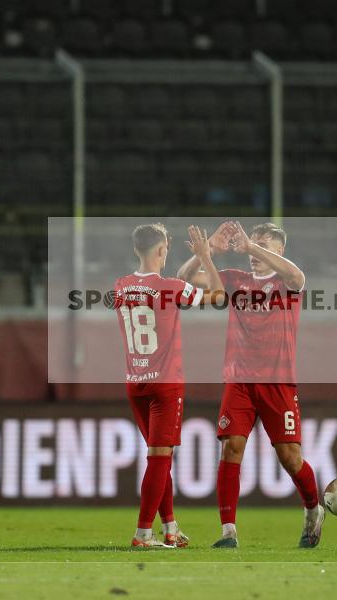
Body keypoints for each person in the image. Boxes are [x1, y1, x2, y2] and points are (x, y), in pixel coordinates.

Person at [177, 221, 324, 549]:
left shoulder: (287, 282)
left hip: (277, 382)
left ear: (279, 250)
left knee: (290, 457)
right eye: (249, 244)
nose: (251, 251)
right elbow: (183, 282)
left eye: (262, 245)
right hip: (239, 381)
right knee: (231, 449)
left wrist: (249, 246)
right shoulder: (234, 280)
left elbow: (300, 277)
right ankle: (229, 532)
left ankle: (313, 510)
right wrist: (207, 253)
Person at [114, 223, 224, 549]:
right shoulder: (172, 287)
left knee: (158, 458)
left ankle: (171, 528)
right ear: (162, 250)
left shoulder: (120, 286)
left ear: (137, 249)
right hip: (165, 385)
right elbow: (219, 296)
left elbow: (155, 288)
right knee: (160, 459)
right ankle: (143, 534)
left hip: (136, 383)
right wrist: (206, 257)